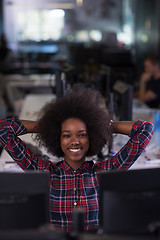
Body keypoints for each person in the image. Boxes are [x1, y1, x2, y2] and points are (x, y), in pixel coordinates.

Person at [0, 87, 154, 232]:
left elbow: (145, 130)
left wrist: (107, 126)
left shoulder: (104, 173)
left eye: (82, 134)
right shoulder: (44, 172)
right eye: (67, 135)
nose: (75, 141)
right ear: (57, 138)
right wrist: (47, 127)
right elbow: (3, 129)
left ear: (92, 136)